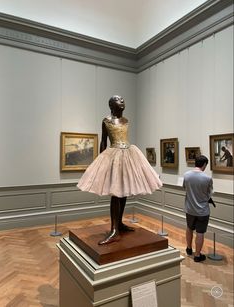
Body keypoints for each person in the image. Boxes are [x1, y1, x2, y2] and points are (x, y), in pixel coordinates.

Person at [77, 95, 162, 244]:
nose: (122, 101)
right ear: (111, 105)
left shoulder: (126, 120)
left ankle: (119, 224)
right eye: (118, 100)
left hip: (129, 153)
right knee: (116, 193)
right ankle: (114, 229)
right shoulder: (106, 121)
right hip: (114, 154)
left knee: (123, 192)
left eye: (122, 99)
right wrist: (101, 161)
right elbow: (104, 141)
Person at [183, 155, 213, 262]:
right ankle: (197, 255)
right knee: (200, 232)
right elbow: (209, 194)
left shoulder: (186, 175)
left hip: (190, 208)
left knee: (189, 228)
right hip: (202, 211)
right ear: (204, 164)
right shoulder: (207, 178)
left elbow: (184, 188)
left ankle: (189, 248)